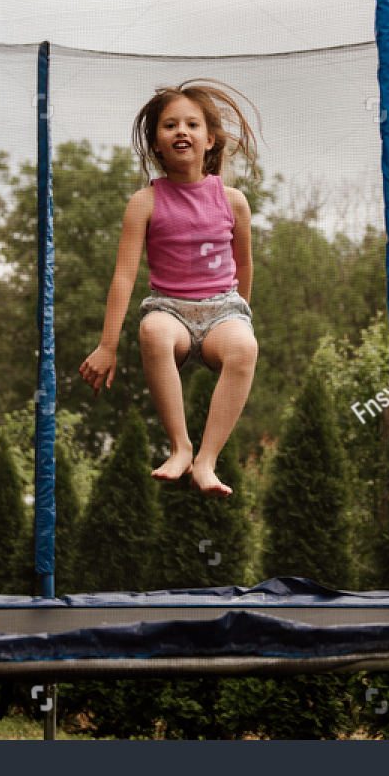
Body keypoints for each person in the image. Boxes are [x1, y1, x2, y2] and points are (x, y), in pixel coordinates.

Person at [78, 80, 260, 498]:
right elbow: (124, 275)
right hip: (170, 310)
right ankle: (180, 447)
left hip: (222, 309)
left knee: (245, 348)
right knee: (153, 332)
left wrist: (240, 319)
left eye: (192, 124)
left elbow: (244, 263)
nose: (182, 131)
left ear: (209, 139)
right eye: (170, 125)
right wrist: (107, 345)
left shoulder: (233, 201)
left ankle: (207, 461)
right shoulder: (145, 202)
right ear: (156, 144)